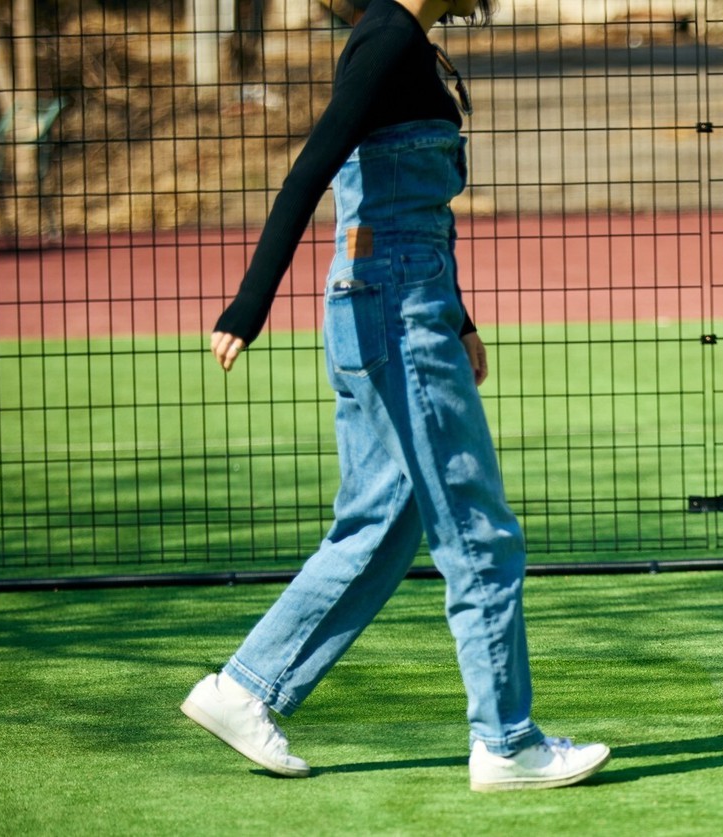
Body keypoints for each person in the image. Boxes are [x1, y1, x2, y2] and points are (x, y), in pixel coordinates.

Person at [180, 0, 610, 792]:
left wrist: (460, 317)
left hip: (394, 302)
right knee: (478, 529)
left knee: (381, 523)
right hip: (396, 311)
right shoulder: (387, 39)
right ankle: (506, 742)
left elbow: (403, 210)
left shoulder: (403, 42)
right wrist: (249, 302)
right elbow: (312, 168)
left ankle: (243, 688)